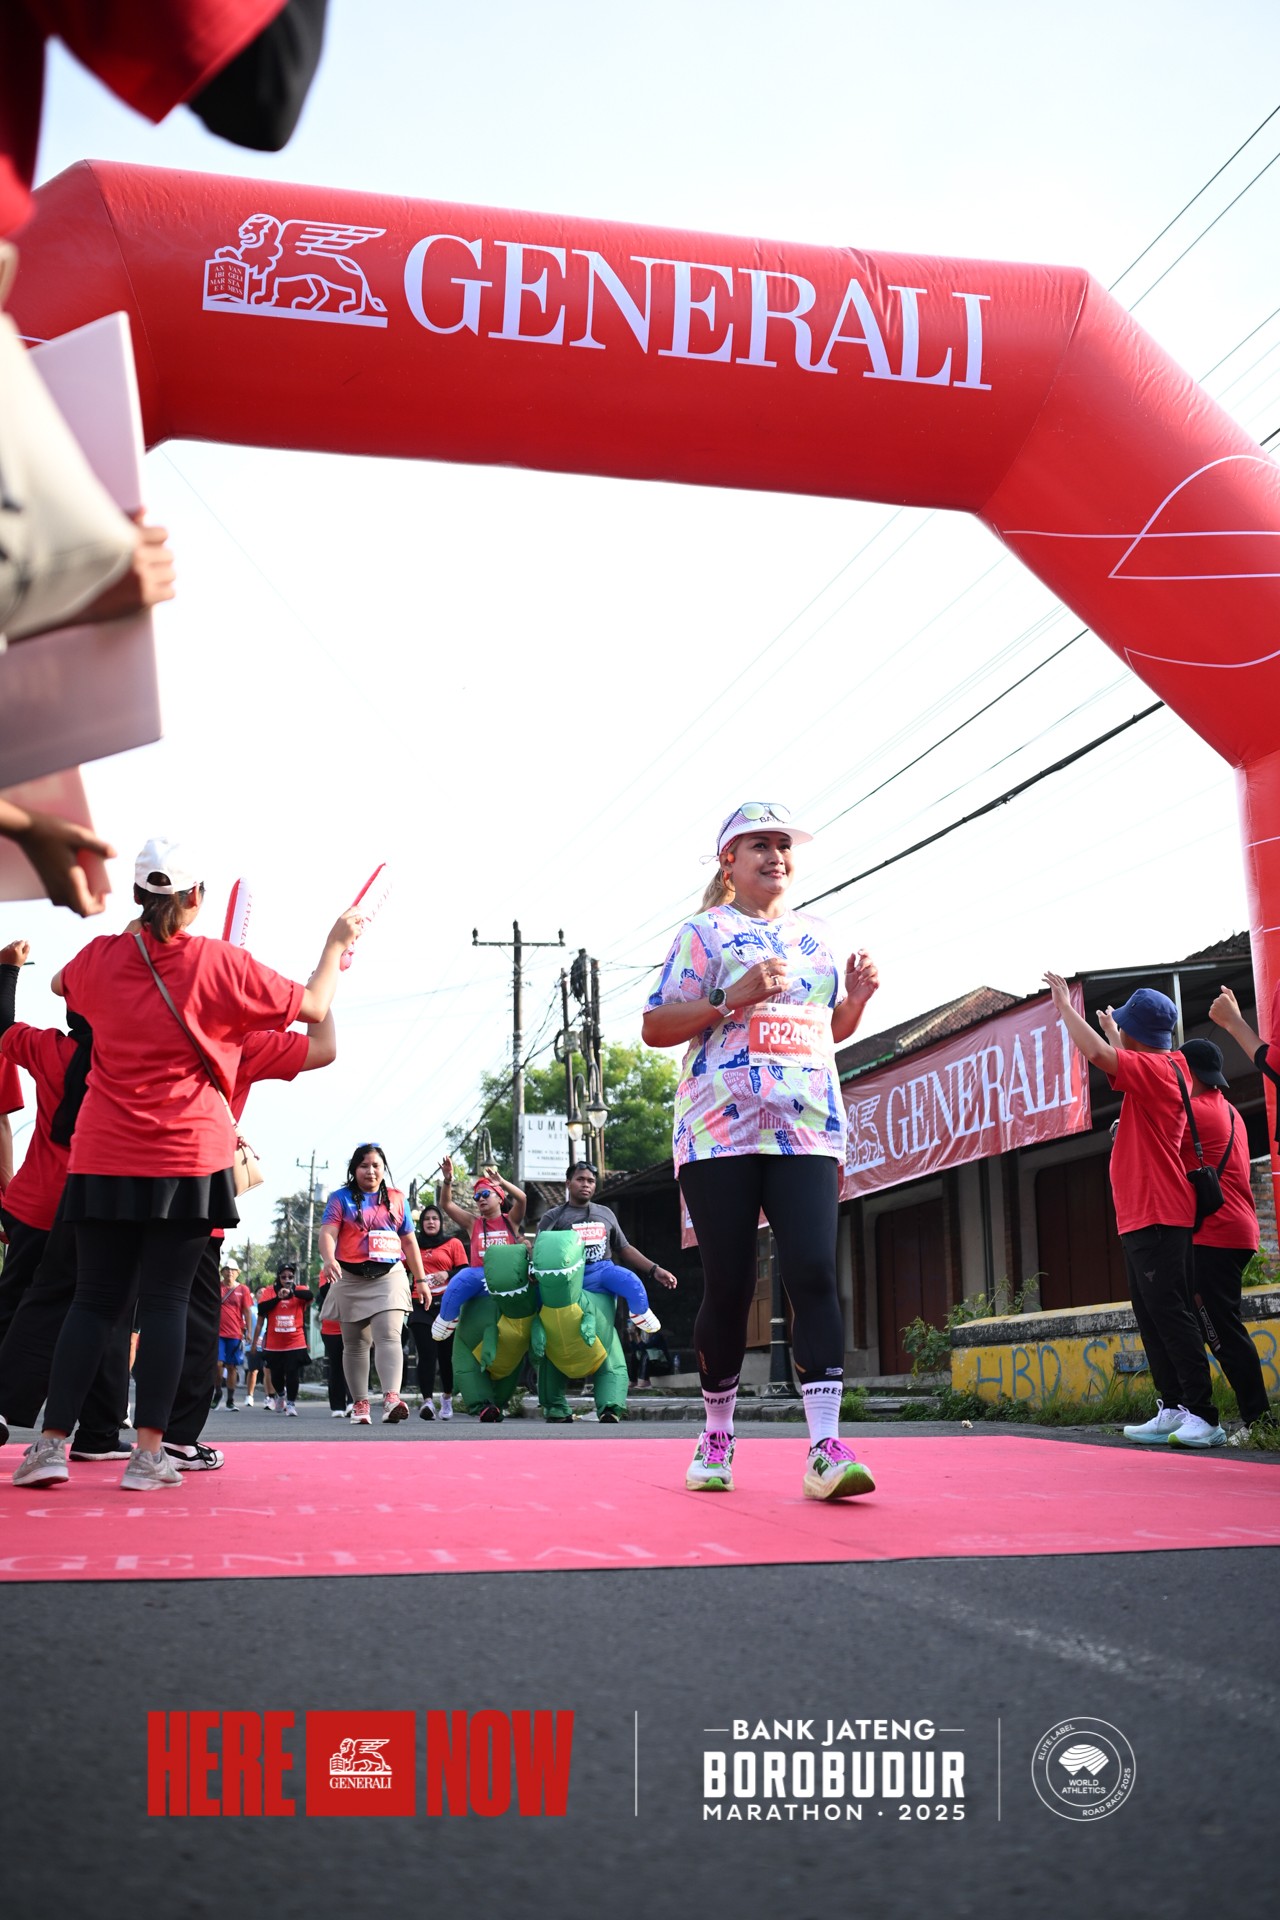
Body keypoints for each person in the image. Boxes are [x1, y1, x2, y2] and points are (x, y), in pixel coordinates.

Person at [9, 835, 362, 1492]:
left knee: (92, 1301)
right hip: (186, 1154)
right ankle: (149, 1456)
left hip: (103, 1152)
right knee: (169, 1303)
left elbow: (62, 987)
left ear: (137, 896)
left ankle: (49, 1446)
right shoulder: (221, 964)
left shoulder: (100, 957)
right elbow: (314, 1010)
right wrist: (335, 945)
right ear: (196, 896)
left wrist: (128, 944)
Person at [641, 802, 880, 1499]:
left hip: (807, 1124)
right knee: (732, 1283)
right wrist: (728, 997)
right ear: (729, 862)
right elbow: (656, 1026)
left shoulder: (819, 936)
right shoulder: (703, 933)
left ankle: (826, 1446)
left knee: (813, 1272)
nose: (776, 855)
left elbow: (821, 1030)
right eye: (760, 845)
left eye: (783, 844)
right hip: (720, 1129)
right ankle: (717, 1434)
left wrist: (855, 1002)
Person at [1044, 975, 1224, 1448]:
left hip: (1158, 1213)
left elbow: (1100, 1056)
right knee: (1154, 1316)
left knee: (1171, 1315)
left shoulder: (1158, 1070)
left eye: (1124, 1026)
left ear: (1135, 1034)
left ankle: (1204, 1415)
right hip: (1146, 1215)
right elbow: (1118, 1055)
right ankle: (1173, 1407)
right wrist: (1113, 1031)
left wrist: (1065, 1007)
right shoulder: (1163, 1065)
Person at [318, 1144, 429, 1426]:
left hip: (389, 1276)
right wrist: (329, 1260)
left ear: (384, 1169)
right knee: (355, 1344)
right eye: (364, 1166)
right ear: (354, 1170)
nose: (370, 1171)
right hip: (350, 1277)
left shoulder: (397, 1198)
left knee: (389, 1335)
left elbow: (409, 1242)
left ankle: (392, 1399)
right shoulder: (340, 1198)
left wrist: (421, 1280)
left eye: (376, 1165)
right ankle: (360, 1404)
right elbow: (328, 1233)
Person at [534, 1161, 677, 1314]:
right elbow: (539, 1253)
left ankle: (641, 1320)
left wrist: (655, 1269)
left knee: (632, 1285)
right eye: (580, 1179)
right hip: (571, 1280)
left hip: (602, 1273)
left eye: (590, 1181)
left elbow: (624, 1248)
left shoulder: (605, 1213)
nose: (585, 1184)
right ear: (568, 1183)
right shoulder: (553, 1217)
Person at [411, 1203, 467, 1420]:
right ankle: (427, 1402)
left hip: (446, 1305)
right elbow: (400, 1268)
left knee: (445, 1356)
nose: (431, 1222)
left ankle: (446, 1398)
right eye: (426, 1219)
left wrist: (446, 1274)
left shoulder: (452, 1243)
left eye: (435, 1218)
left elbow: (464, 1270)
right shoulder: (413, 1245)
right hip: (420, 1305)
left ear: (441, 1222)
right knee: (427, 1354)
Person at [253, 1261, 312, 1414]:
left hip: (295, 1340)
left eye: (290, 1276)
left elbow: (310, 1296)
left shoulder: (300, 1290)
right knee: (276, 1374)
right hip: (275, 1343)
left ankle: (291, 1404)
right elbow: (261, 1308)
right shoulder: (269, 1292)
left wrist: (292, 1293)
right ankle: (281, 1394)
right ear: (278, 1277)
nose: (287, 1279)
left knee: (293, 1372)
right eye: (284, 1277)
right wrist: (278, 1298)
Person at [210, 1258, 253, 1410]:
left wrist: (248, 1331)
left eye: (233, 1270)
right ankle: (217, 1392)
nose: (229, 1272)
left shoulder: (243, 1290)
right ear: (222, 1272)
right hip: (217, 1332)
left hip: (235, 1333)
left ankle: (230, 1399)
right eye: (227, 1269)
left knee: (231, 1366)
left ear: (237, 1273)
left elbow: (247, 1311)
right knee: (217, 1364)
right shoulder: (216, 1287)